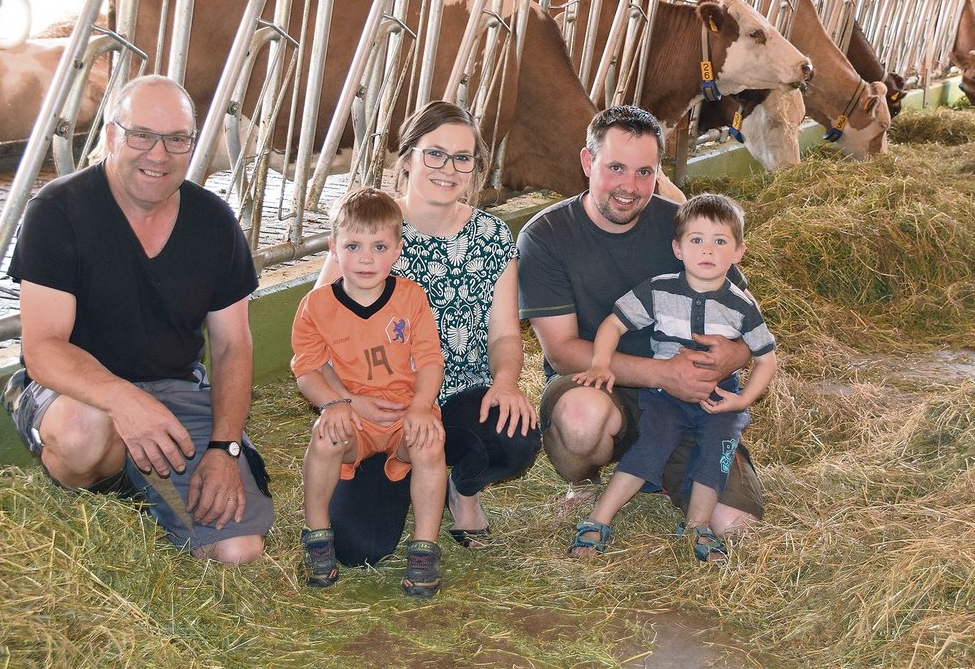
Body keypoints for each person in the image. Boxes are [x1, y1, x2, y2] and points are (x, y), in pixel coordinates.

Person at [0, 74, 273, 564]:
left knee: (239, 554)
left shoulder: (214, 221)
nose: (158, 154)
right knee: (85, 432)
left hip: (175, 386)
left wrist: (224, 448)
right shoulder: (58, 211)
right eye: (141, 135)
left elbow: (233, 345)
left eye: (176, 139)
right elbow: (42, 347)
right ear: (111, 136)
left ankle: (144, 482)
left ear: (193, 145)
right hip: (76, 393)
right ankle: (112, 481)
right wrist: (124, 400)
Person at [517, 105, 766, 536]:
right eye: (615, 168)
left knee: (734, 525)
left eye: (644, 172)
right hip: (601, 383)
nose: (629, 187)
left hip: (687, 399)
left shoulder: (683, 225)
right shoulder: (546, 236)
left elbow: (747, 318)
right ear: (587, 162)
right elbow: (560, 352)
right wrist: (663, 374)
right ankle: (587, 479)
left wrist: (733, 355)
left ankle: (666, 468)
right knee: (580, 420)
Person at [312, 101, 540, 566]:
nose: (448, 169)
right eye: (434, 154)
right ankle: (404, 477)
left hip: (455, 398)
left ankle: (463, 488)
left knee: (515, 434)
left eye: (463, 158)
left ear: (475, 167)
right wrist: (344, 401)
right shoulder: (369, 228)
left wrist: (505, 382)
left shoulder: (493, 237)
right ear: (408, 157)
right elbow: (318, 332)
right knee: (359, 549)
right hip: (378, 407)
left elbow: (503, 334)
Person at [570, 193, 777, 562]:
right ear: (678, 249)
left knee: (717, 453)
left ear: (739, 252)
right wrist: (601, 362)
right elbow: (614, 323)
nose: (707, 250)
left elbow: (766, 359)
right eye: (696, 240)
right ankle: (598, 519)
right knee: (653, 444)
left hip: (719, 397)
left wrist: (743, 401)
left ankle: (698, 526)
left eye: (720, 241)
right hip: (665, 394)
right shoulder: (660, 289)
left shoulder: (741, 307)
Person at [291, 187, 446, 595]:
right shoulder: (316, 306)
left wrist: (420, 408)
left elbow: (430, 360)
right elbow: (306, 369)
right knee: (324, 437)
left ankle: (424, 548)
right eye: (353, 245)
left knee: (431, 441)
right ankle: (317, 537)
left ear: (396, 250)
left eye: (379, 246)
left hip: (402, 414)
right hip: (354, 417)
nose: (365, 258)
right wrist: (335, 402)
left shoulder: (411, 298)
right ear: (333, 248)